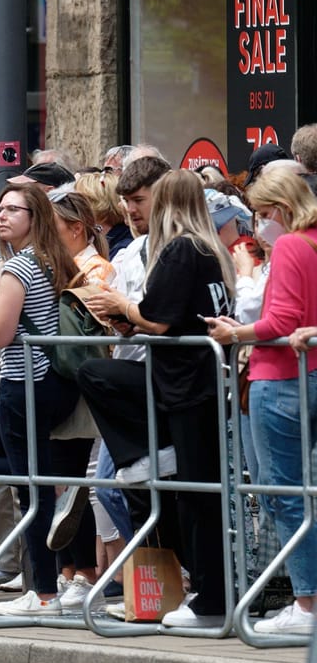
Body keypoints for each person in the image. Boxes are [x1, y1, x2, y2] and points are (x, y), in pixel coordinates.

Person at [72, 171, 234, 629]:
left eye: (142, 201)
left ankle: (211, 600)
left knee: (198, 497)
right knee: (195, 494)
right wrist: (128, 317)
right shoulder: (211, 249)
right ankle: (146, 457)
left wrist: (119, 306)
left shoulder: (182, 249)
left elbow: (159, 320)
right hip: (189, 382)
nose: (131, 210)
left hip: (186, 386)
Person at [0, 181, 83, 617]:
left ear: (35, 217)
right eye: (0, 209)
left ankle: (44, 593)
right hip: (53, 381)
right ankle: (55, 486)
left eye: (14, 209)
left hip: (24, 382)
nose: (1, 215)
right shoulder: (52, 259)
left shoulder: (16, 268)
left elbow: (2, 334)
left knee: (29, 489)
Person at [208, 169, 317, 634]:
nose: (259, 223)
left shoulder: (293, 245)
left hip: (279, 378)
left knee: (284, 493)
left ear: (284, 208)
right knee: (293, 493)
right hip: (304, 373)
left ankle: (307, 604)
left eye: (264, 213)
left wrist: (235, 332)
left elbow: (281, 320)